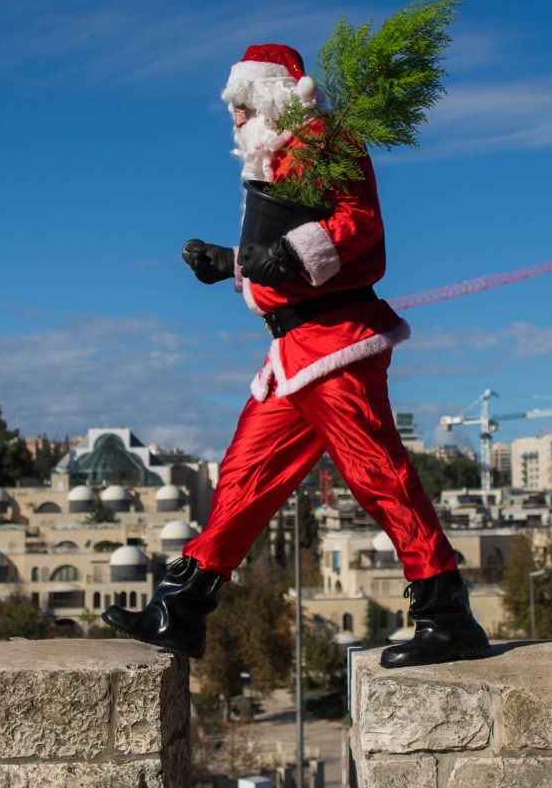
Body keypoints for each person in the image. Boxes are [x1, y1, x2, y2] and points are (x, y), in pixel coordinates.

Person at [102, 42, 489, 669]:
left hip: (336, 343)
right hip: (292, 350)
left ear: (274, 97)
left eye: (242, 102)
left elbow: (358, 225)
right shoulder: (282, 158)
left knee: (377, 475)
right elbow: (281, 254)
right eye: (231, 105)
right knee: (244, 475)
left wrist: (275, 256)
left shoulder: (326, 142)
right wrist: (229, 264)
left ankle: (447, 615)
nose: (232, 115)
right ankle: (183, 608)